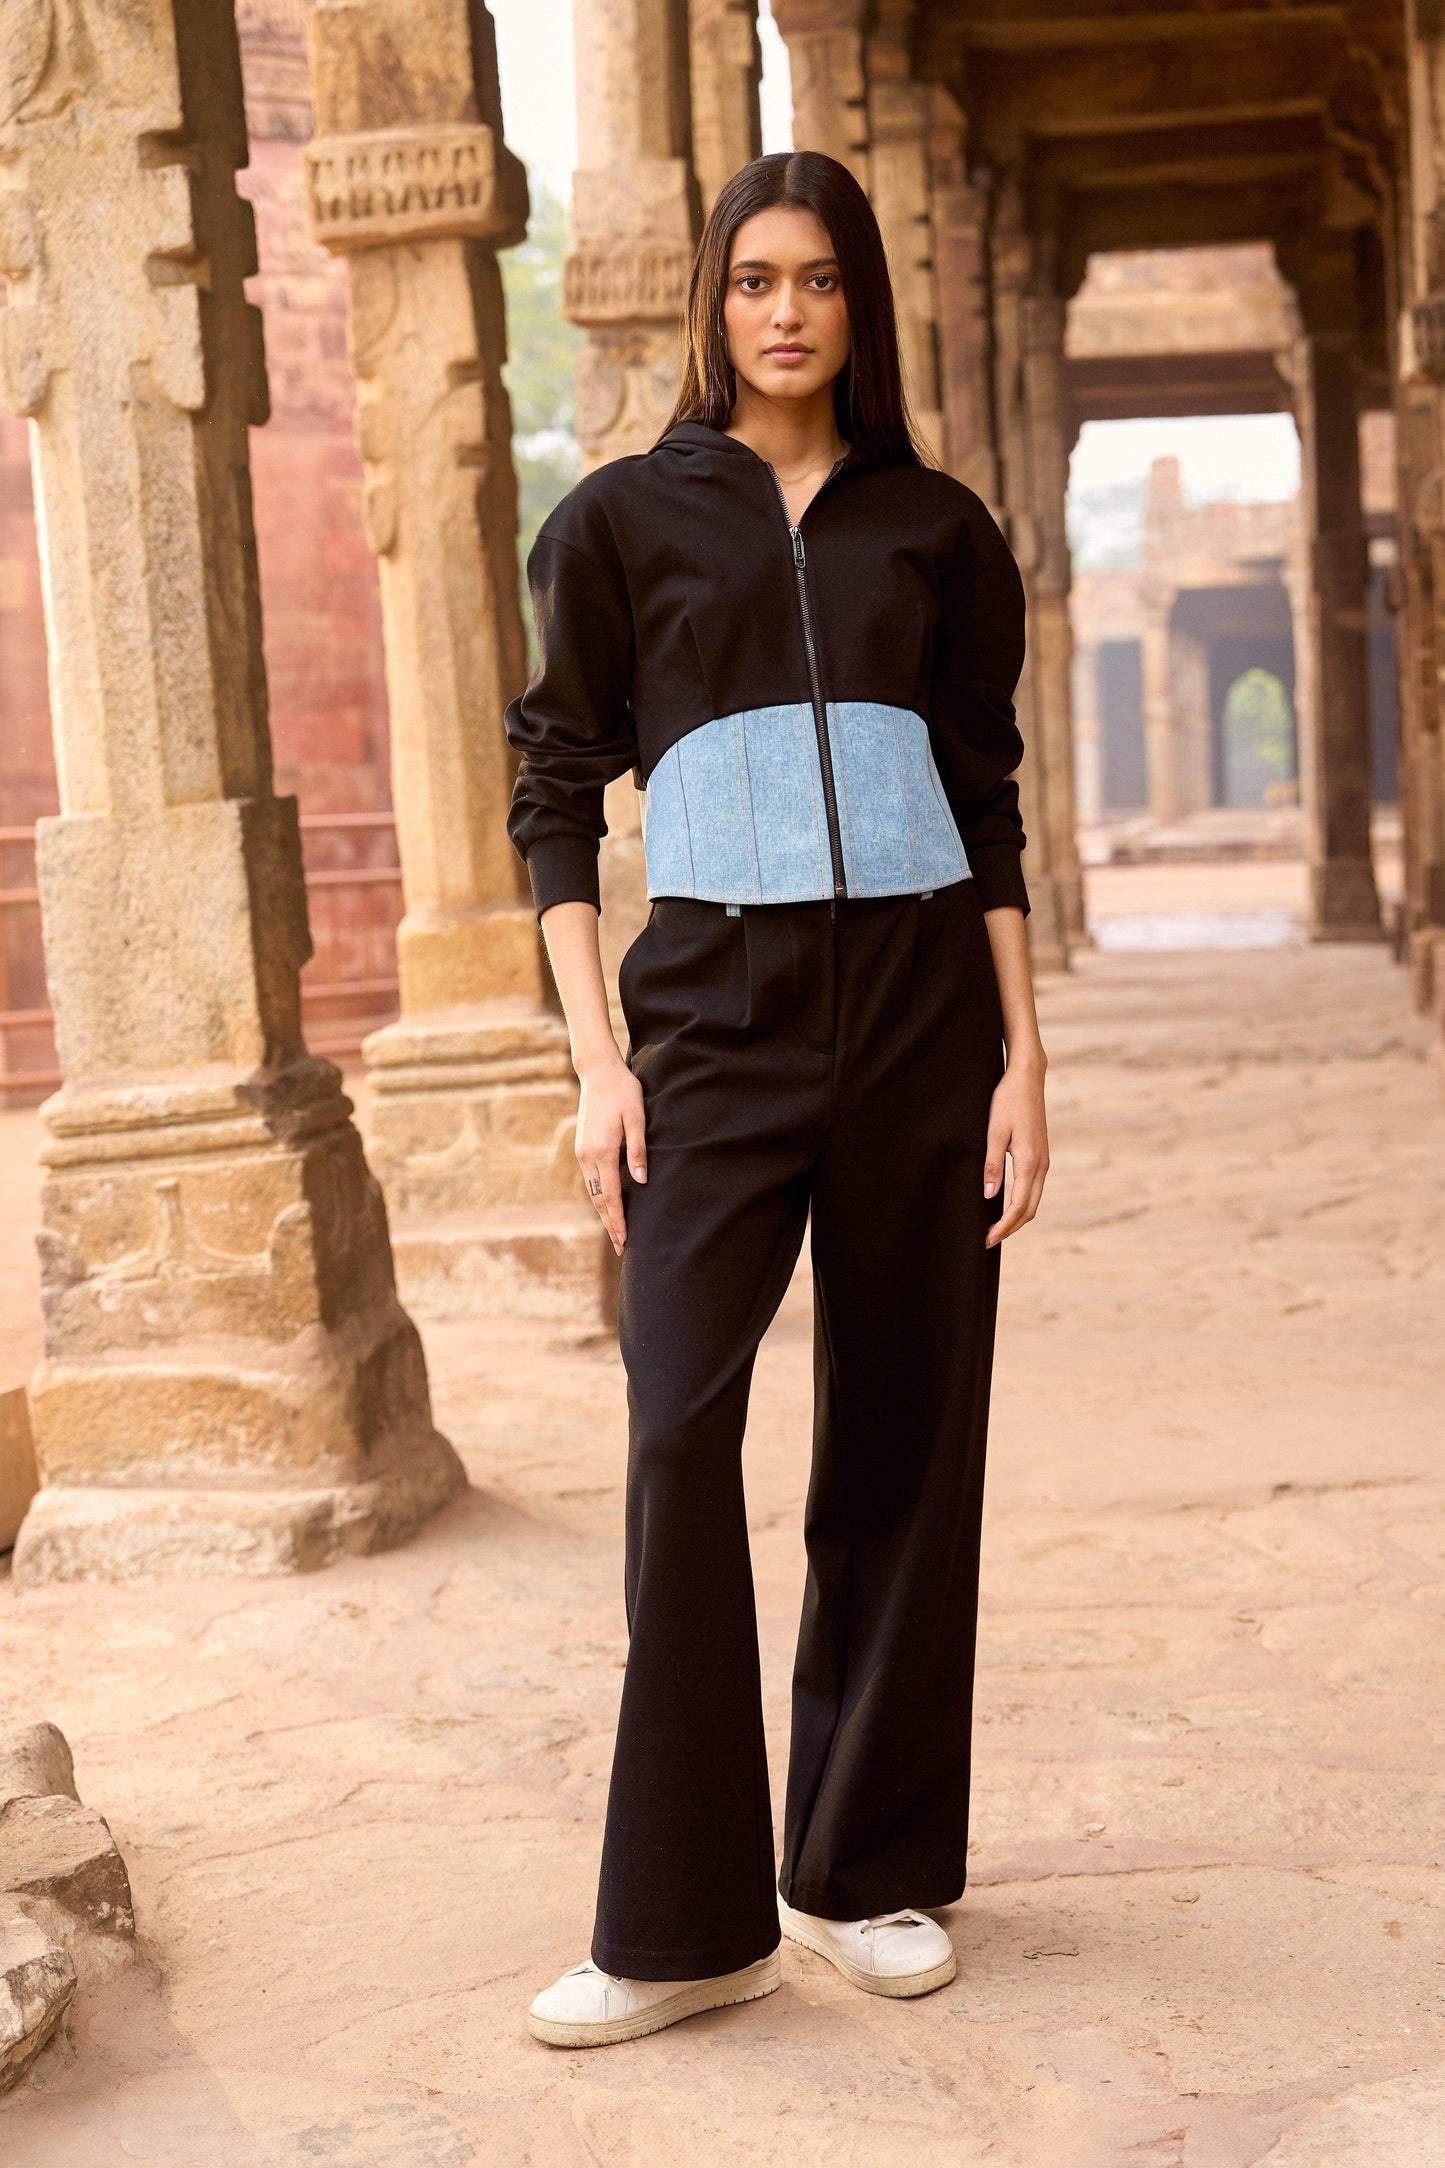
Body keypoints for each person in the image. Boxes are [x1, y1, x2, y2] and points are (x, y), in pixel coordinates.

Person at [507, 149, 1049, 2050]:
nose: (785, 312)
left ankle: (856, 1873)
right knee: (677, 1429)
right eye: (754, 280)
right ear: (713, 304)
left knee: (903, 1439)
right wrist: (596, 1060)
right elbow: (554, 790)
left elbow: (983, 798)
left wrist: (1023, 1062)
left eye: (816, 279)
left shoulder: (937, 529)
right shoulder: (619, 522)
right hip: (709, 1033)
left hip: (918, 1022)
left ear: (857, 303)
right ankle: (681, 1929)